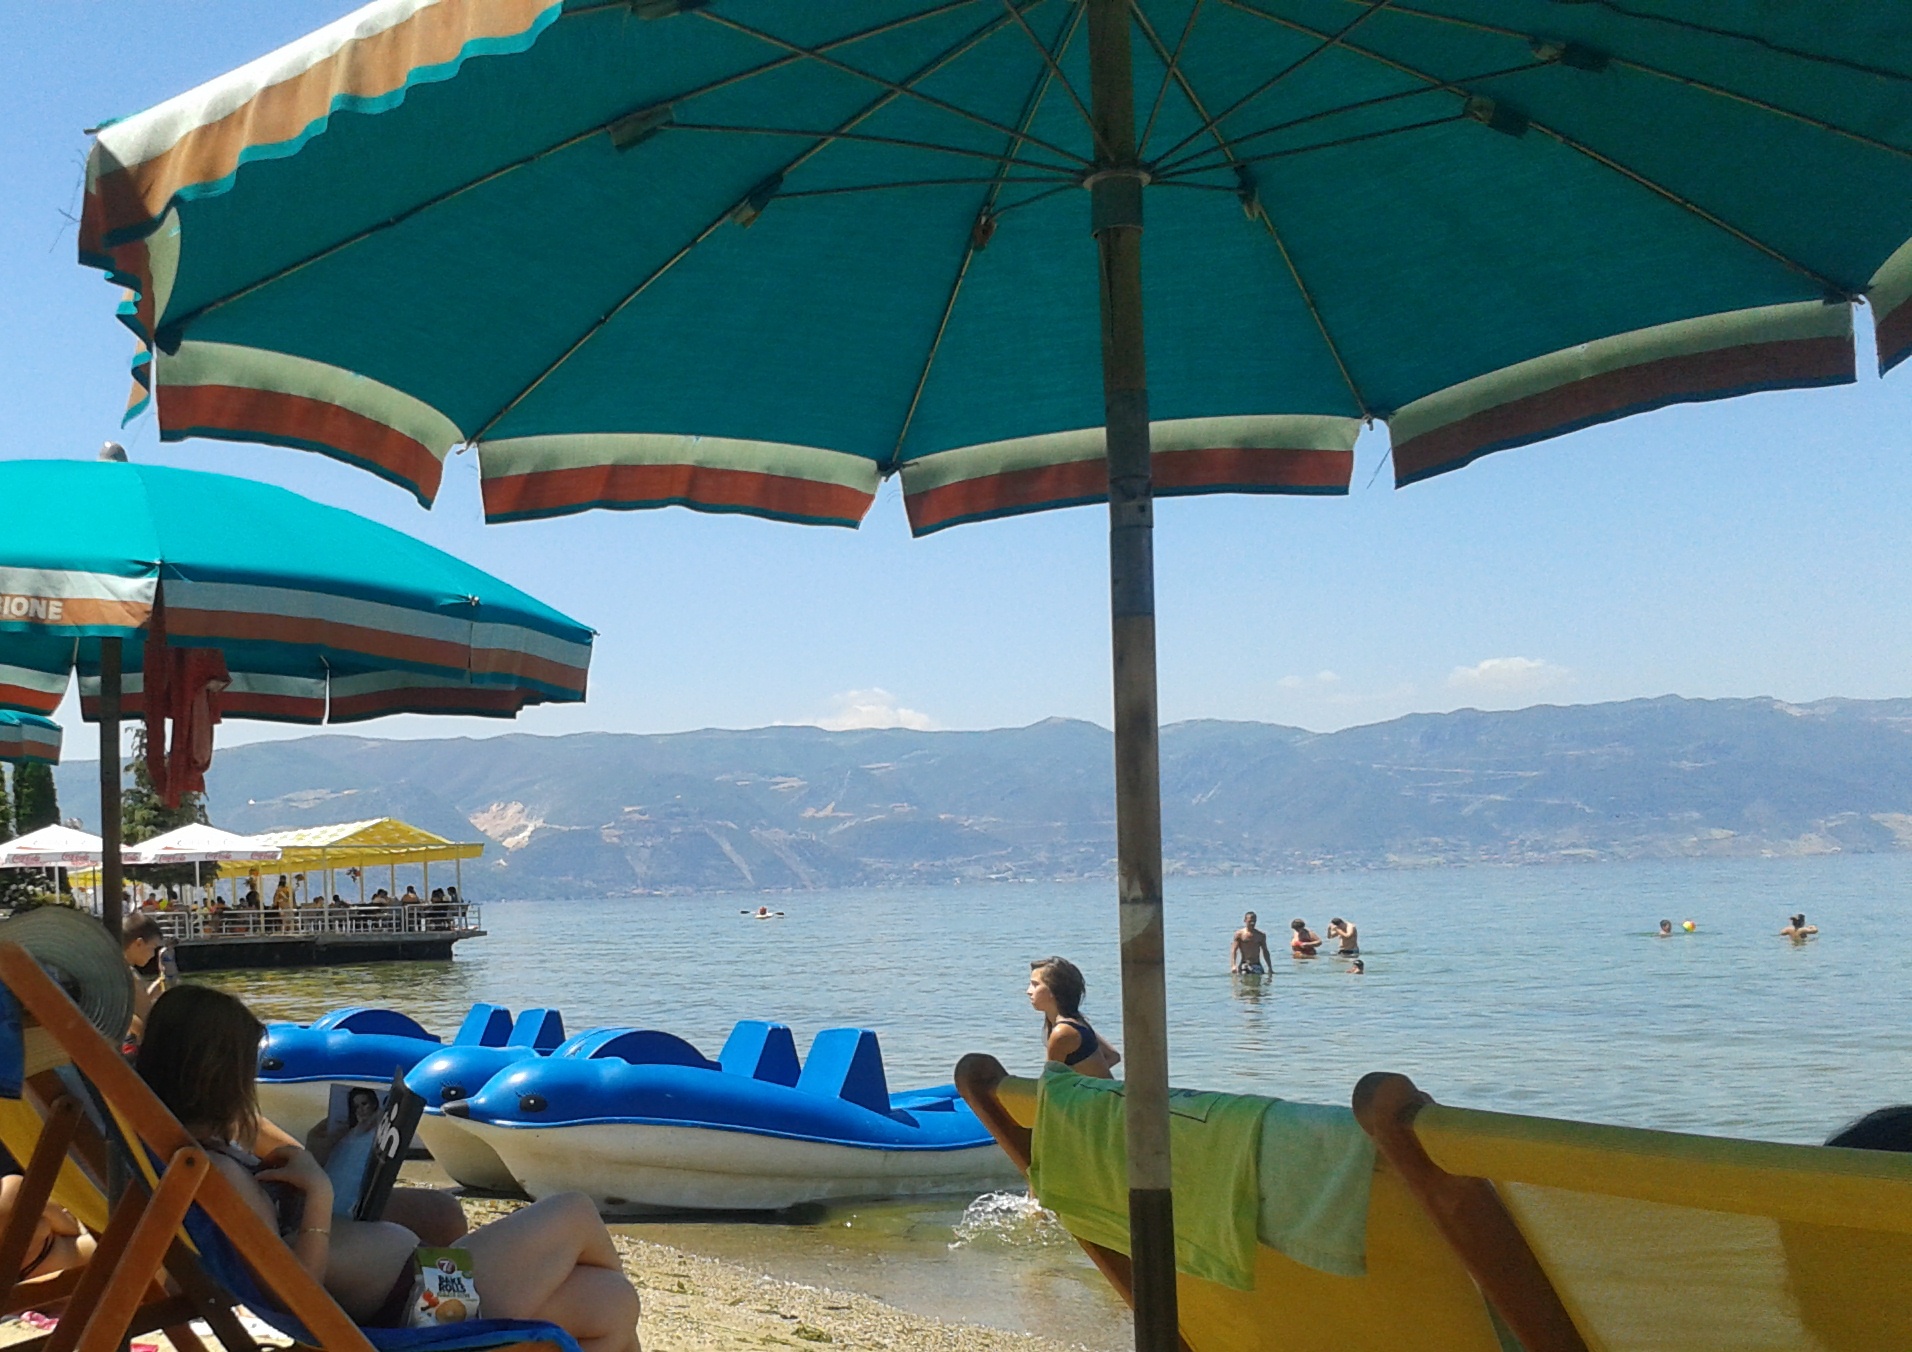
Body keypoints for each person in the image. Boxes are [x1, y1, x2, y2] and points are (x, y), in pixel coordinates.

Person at [136, 986, 641, 1349]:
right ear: (217, 1076)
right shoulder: (215, 1172)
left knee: (613, 1302)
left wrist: (322, 1158)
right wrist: (318, 1193)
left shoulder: (199, 1156)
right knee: (574, 1211)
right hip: (423, 1307)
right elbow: (292, 1288)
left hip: (415, 1294)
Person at [1027, 957, 1120, 1078]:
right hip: (1103, 1089)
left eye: (1035, 985)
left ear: (1053, 990)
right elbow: (1112, 1056)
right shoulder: (1077, 1023)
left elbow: (1049, 1081)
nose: (1028, 991)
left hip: (1095, 1091)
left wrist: (1079, 1084)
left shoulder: (1063, 1032)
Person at [121, 913, 171, 1048]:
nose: (153, 954)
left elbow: (133, 1008)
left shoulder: (116, 969)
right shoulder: (130, 977)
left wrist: (152, 992)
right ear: (139, 943)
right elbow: (145, 1026)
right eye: (153, 948)